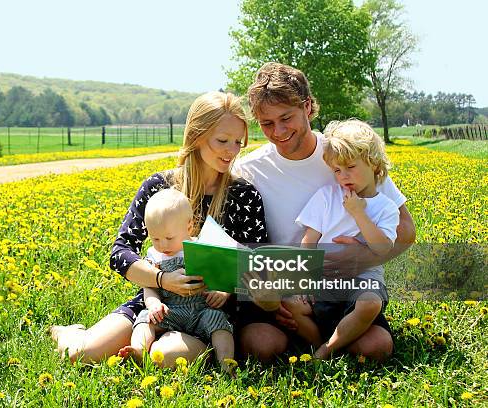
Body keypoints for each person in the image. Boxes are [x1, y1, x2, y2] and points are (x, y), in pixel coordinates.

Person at [51, 91, 268, 367]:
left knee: (161, 357)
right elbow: (120, 253)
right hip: (156, 306)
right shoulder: (158, 187)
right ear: (195, 137)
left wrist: (228, 289)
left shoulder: (244, 195)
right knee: (81, 355)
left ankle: (180, 345)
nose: (232, 151)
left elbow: (257, 262)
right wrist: (163, 280)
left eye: (238, 142)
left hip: (211, 314)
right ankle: (69, 333)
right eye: (222, 141)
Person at [233, 62, 416, 362]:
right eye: (266, 123)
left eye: (286, 118)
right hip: (291, 289)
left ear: (306, 107)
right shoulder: (250, 169)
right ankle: (315, 340)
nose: (278, 131)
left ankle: (328, 343)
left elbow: (406, 231)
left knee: (376, 347)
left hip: (348, 284)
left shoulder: (345, 154)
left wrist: (359, 259)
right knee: (260, 344)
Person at [281, 119, 400, 359]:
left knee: (369, 304)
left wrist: (358, 213)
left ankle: (328, 349)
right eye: (337, 170)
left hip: (363, 280)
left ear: (374, 163)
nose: (343, 176)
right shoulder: (327, 196)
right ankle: (320, 344)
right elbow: (309, 240)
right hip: (323, 280)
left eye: (350, 167)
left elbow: (382, 247)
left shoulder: (385, 207)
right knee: (290, 303)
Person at [118, 188, 234, 372]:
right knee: (144, 319)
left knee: (219, 322)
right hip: (170, 310)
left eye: (169, 238)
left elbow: (225, 273)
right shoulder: (155, 256)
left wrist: (223, 291)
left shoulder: (203, 246)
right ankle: (139, 350)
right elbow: (150, 286)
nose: (162, 245)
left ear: (189, 226)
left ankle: (226, 363)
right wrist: (154, 304)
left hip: (202, 311)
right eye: (155, 238)